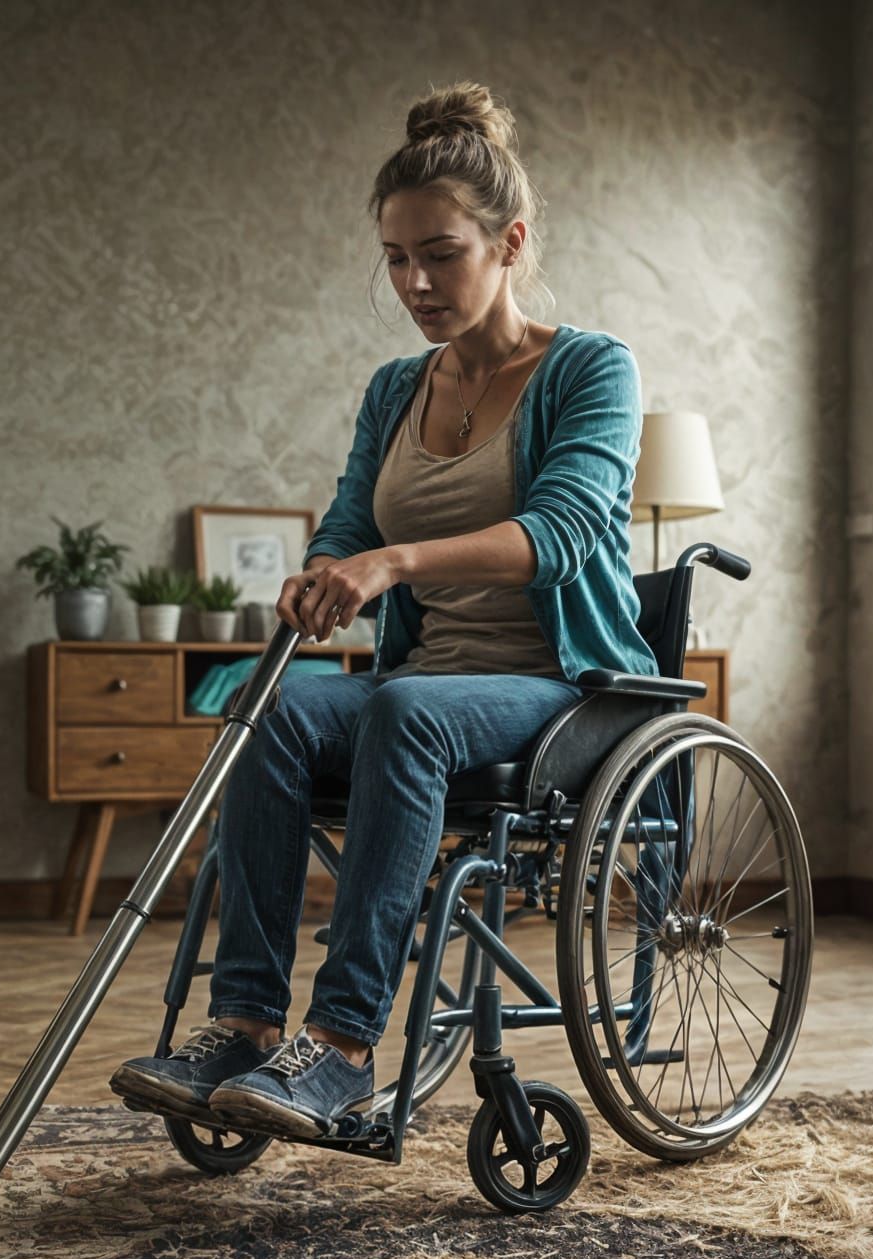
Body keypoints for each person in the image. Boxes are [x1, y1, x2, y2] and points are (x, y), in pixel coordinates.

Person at [110, 80, 658, 1139]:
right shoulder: (393, 389)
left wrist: (393, 563)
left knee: (408, 712)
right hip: (430, 683)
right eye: (397, 259)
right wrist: (323, 570)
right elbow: (349, 516)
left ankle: (347, 1045)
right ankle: (246, 1025)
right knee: (273, 704)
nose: (414, 281)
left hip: (556, 689)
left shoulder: (591, 370)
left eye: (440, 253)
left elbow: (564, 533)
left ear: (510, 242)